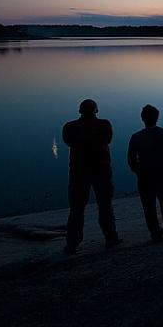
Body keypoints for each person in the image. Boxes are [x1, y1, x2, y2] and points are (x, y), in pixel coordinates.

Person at [61, 99, 121, 254]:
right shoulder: (104, 124)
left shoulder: (70, 127)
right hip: (101, 170)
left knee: (76, 209)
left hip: (78, 171)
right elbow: (108, 140)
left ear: (80, 111)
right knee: (105, 206)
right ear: (96, 110)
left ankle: (72, 243)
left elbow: (68, 142)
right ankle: (110, 237)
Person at [128, 104, 163, 241]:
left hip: (145, 177)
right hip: (162, 174)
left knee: (148, 207)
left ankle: (155, 233)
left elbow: (131, 160)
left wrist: (138, 171)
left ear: (142, 118)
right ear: (157, 117)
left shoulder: (136, 137)